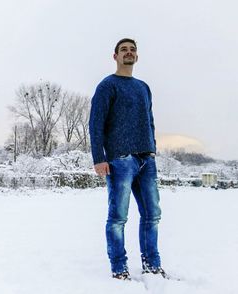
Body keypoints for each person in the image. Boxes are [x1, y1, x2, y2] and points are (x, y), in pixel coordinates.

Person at [89, 38, 166, 280]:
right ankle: (119, 267)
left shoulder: (143, 87)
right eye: (124, 50)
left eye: (132, 50)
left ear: (137, 56)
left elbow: (149, 119)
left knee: (152, 214)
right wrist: (99, 158)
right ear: (115, 56)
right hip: (120, 160)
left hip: (146, 159)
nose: (128, 53)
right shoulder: (107, 85)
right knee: (118, 217)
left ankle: (151, 264)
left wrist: (152, 149)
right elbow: (95, 123)